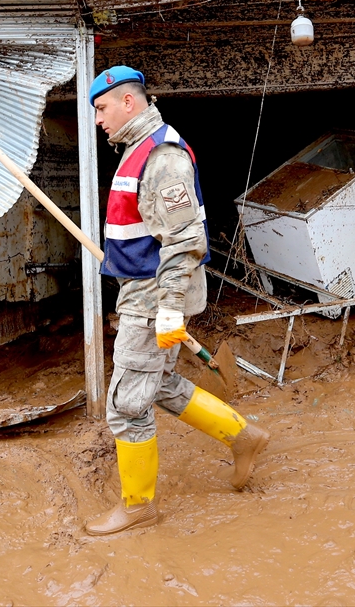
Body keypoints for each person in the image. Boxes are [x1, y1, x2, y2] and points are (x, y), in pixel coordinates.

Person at [84, 65, 270, 537]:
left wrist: (167, 308)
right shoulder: (138, 150)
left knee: (127, 402)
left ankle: (137, 506)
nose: (98, 119)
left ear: (129, 102)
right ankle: (243, 436)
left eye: (102, 109)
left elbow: (185, 240)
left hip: (153, 298)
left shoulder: (161, 156)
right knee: (160, 385)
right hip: (146, 291)